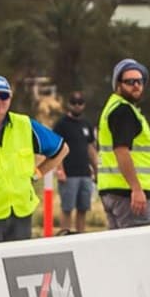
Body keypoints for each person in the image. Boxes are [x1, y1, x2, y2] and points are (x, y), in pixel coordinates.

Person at [0, 75, 68, 245]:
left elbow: (62, 149)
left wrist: (37, 173)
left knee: (19, 269)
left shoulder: (25, 125)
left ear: (10, 98)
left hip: (21, 214)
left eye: (4, 96)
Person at [98, 58, 150, 228]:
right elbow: (122, 151)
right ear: (118, 85)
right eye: (129, 81)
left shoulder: (113, 108)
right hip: (128, 194)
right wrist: (136, 188)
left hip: (113, 191)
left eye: (140, 81)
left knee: (119, 250)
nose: (136, 85)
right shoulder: (123, 111)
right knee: (139, 250)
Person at [53, 91, 99, 233]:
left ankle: (80, 235)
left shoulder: (86, 124)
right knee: (67, 207)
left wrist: (96, 169)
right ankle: (65, 234)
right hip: (69, 173)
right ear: (69, 105)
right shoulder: (61, 124)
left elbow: (90, 148)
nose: (77, 106)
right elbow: (56, 148)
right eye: (74, 103)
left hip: (85, 173)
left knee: (83, 207)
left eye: (80, 103)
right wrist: (60, 170)